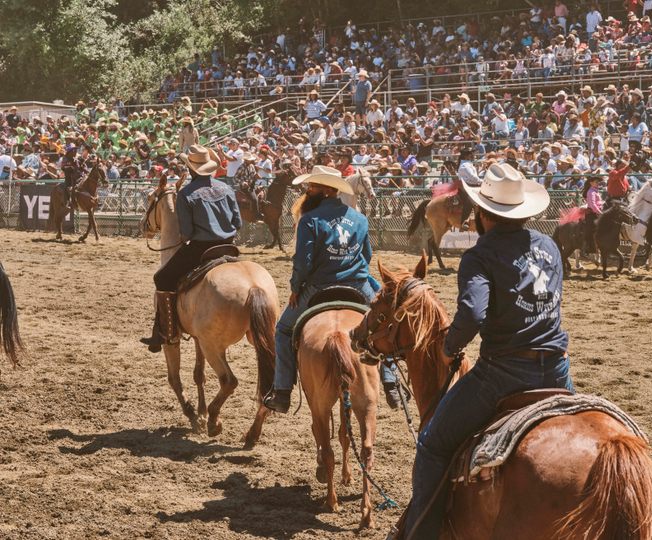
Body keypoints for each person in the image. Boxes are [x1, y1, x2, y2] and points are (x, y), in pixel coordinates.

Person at [395, 163, 574, 539]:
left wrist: (449, 348)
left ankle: (419, 533)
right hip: (557, 368)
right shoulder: (548, 246)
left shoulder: (481, 254)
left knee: (432, 444)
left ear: (481, 212)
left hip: (504, 372)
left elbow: (474, 313)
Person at [262, 166, 402, 413]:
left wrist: (296, 287)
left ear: (327, 190)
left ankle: (283, 391)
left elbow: (303, 262)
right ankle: (391, 382)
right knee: (388, 322)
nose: (309, 190)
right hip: (358, 283)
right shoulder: (359, 218)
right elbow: (367, 254)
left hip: (319, 286)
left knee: (283, 330)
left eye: (313, 186)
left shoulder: (309, 220)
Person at [140, 145, 242, 353]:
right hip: (229, 247)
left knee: (162, 278)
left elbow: (185, 233)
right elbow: (237, 221)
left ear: (192, 169)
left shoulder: (187, 194)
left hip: (200, 249)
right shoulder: (226, 188)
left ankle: (166, 331)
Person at [456, 148, 482, 230]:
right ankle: (464, 221)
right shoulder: (464, 166)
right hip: (466, 187)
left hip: (471, 186)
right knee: (470, 200)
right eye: (471, 153)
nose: (473, 155)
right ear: (467, 155)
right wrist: (483, 182)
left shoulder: (468, 164)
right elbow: (473, 178)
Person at [582, 171, 604, 253]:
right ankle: (589, 247)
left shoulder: (595, 191)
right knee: (592, 229)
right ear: (591, 183)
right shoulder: (591, 192)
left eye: (598, 182)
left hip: (596, 212)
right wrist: (600, 213)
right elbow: (593, 205)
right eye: (596, 182)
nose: (598, 183)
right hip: (592, 214)